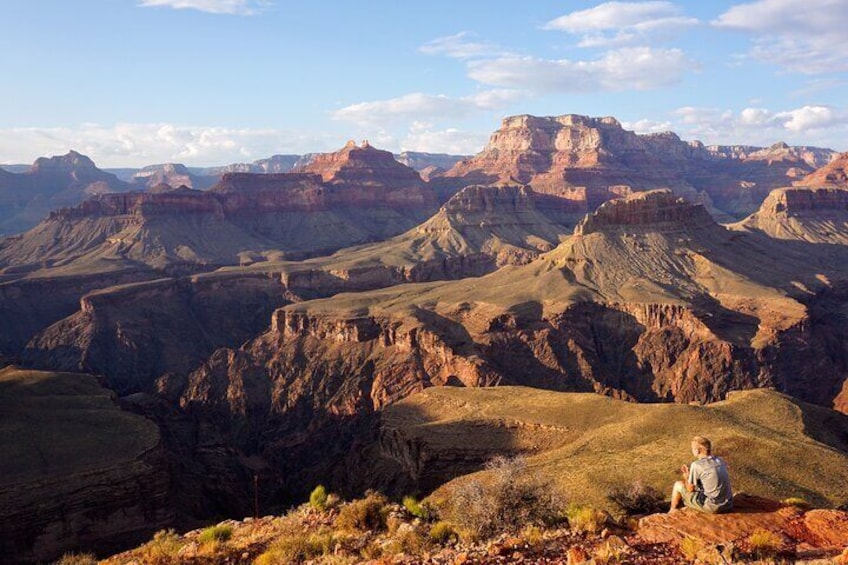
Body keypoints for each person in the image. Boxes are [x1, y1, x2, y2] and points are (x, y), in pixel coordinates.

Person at [669, 436, 733, 514]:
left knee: (678, 485)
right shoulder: (720, 460)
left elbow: (690, 489)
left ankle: (672, 511)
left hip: (712, 507)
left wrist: (687, 477)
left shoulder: (696, 465)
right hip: (728, 504)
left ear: (697, 451)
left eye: (692, 449)